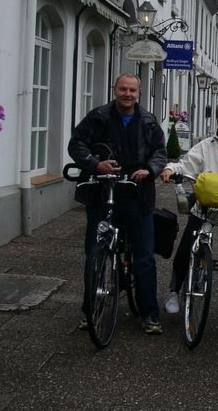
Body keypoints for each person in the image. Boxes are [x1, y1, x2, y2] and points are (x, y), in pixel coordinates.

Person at [68, 73, 167, 334]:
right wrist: (94, 164)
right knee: (95, 254)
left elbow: (160, 152)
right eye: (123, 89)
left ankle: (150, 314)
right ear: (115, 90)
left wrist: (149, 170)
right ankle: (90, 310)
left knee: (144, 258)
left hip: (137, 195)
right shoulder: (98, 116)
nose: (128, 94)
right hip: (103, 193)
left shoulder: (147, 121)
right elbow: (76, 144)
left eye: (133, 90)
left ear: (139, 93)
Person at [159, 101, 218, 332]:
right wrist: (172, 169)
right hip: (205, 208)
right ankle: (174, 292)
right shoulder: (206, 146)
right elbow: (187, 163)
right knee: (185, 250)